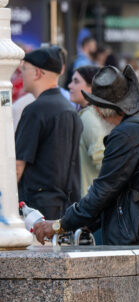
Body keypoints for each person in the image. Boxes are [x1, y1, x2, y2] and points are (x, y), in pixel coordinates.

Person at [32, 65, 139, 246]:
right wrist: (88, 221)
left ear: (99, 109)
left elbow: (103, 190)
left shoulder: (125, 134)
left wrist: (60, 225)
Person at [15, 46, 82, 220]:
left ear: (37, 73)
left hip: (37, 210)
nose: (21, 74)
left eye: (24, 69)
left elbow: (18, 166)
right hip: (68, 207)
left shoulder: (34, 110)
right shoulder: (70, 109)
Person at [67, 65, 114, 196]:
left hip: (89, 199)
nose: (70, 86)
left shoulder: (89, 116)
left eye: (76, 81)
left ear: (91, 88)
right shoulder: (91, 114)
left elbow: (102, 161)